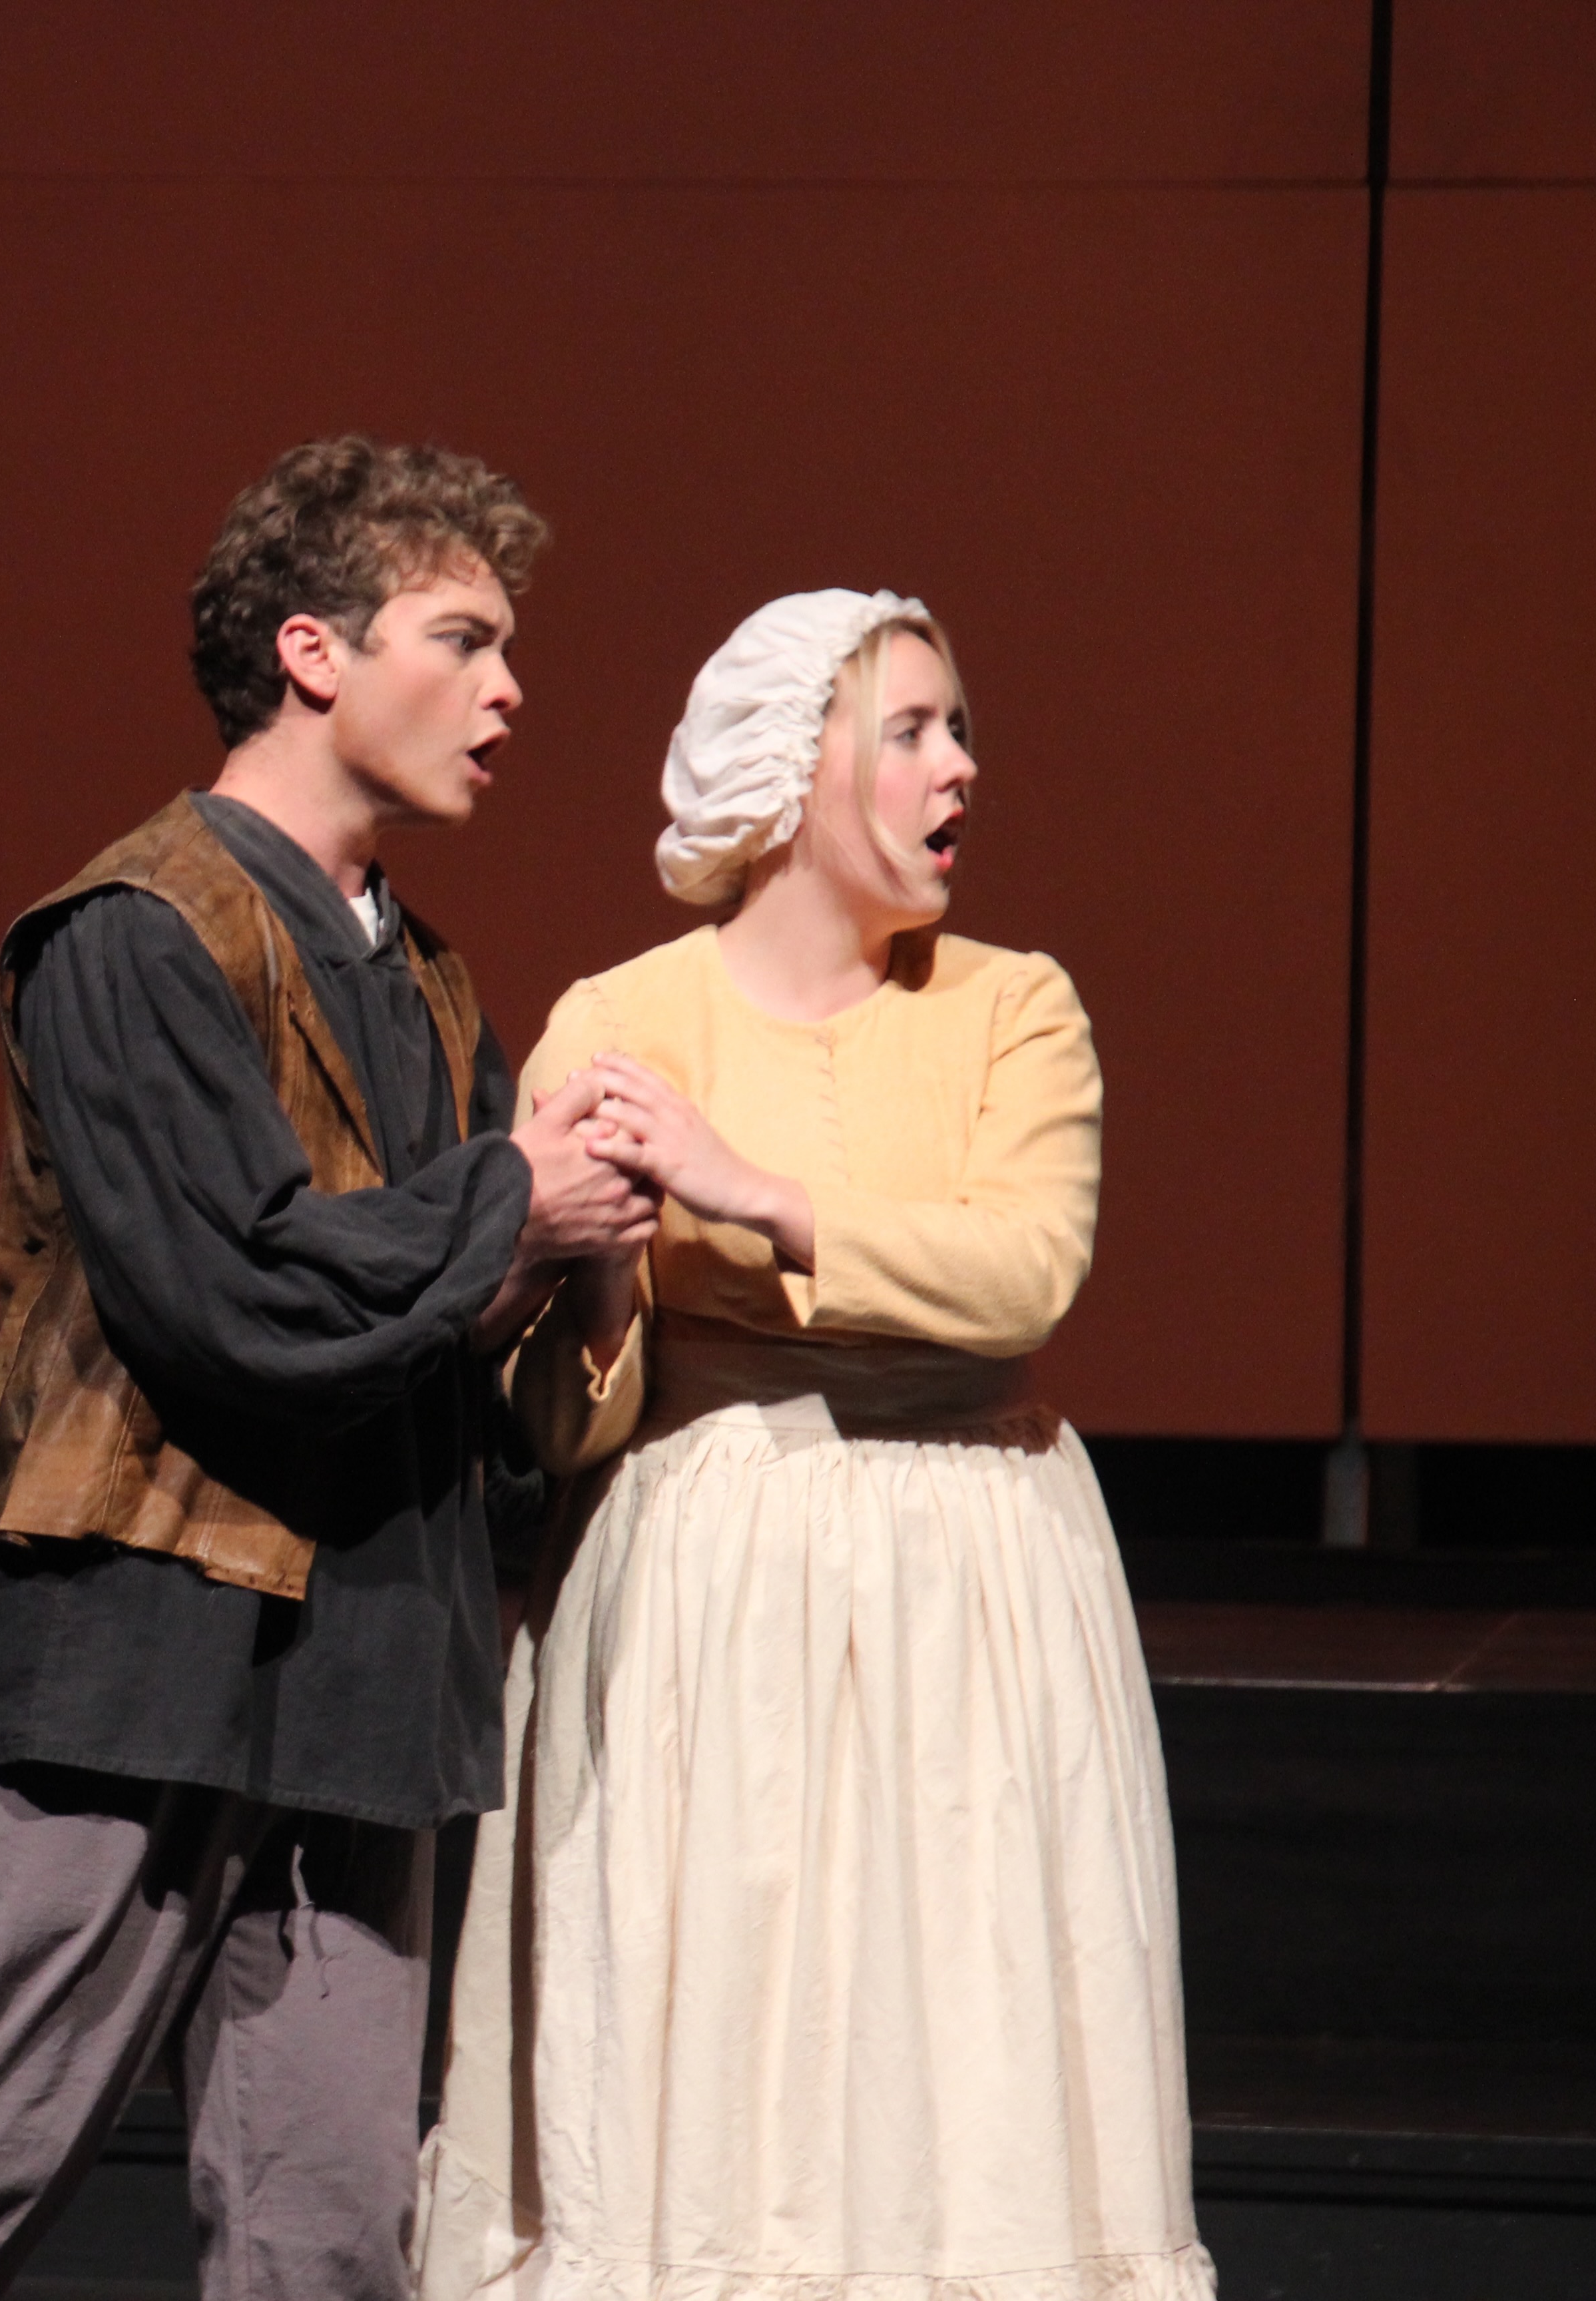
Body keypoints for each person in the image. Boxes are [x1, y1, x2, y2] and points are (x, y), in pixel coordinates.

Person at [0, 437, 658, 2301]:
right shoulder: (133, 937)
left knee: (330, 2235)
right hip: (133, 1654)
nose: (513, 692)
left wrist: (579, 1256)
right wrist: (512, 1201)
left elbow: (443, 1329)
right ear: (316, 652)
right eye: (465, 637)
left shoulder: (426, 977)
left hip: (361, 1667)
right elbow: (237, 1296)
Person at [413, 592, 1212, 2299]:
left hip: (971, 1583)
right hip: (707, 1591)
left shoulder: (1014, 1008)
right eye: (914, 730)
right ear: (792, 770)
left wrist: (750, 1191)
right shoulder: (617, 1019)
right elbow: (552, 1422)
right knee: (711, 2033)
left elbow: (1023, 1273)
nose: (961, 768)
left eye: (960, 729)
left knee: (966, 2030)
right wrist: (607, 1279)